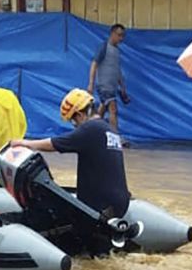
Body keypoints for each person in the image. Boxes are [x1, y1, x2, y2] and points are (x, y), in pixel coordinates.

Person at [11, 88, 130, 219]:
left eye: (73, 121)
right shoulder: (109, 129)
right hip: (119, 201)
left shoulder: (91, 129)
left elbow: (55, 144)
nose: (75, 126)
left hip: (103, 206)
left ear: (80, 115)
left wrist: (27, 143)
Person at [87, 24, 130, 135]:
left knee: (101, 112)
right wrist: (91, 83)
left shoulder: (117, 51)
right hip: (104, 85)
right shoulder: (104, 47)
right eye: (119, 35)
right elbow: (94, 64)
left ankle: (90, 132)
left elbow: (117, 70)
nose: (121, 38)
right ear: (112, 34)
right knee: (113, 109)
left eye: (123, 36)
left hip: (112, 87)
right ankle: (115, 137)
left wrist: (122, 87)